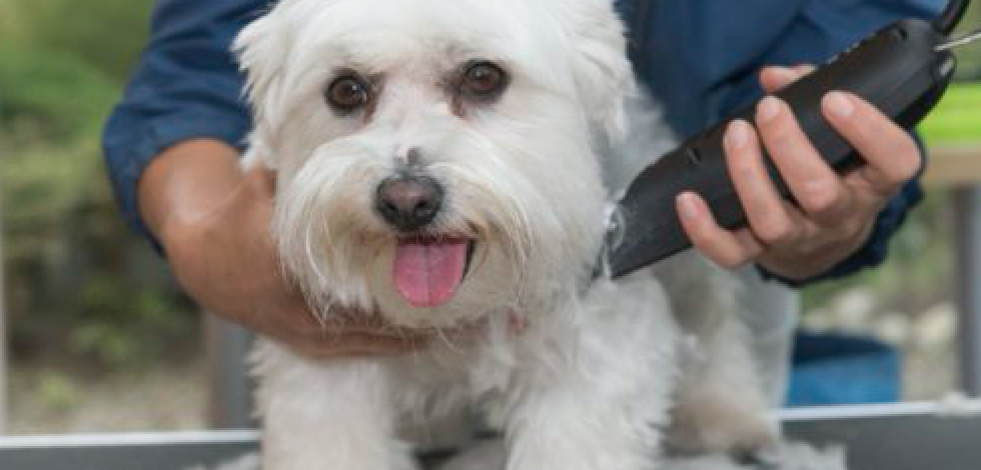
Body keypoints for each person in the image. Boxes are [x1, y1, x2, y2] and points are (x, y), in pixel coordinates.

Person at [103, 0, 944, 400]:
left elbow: (855, 57)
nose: (407, 174)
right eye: (352, 91)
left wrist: (829, 201)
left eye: (478, 80)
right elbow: (191, 74)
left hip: (698, 246)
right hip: (315, 326)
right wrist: (203, 232)